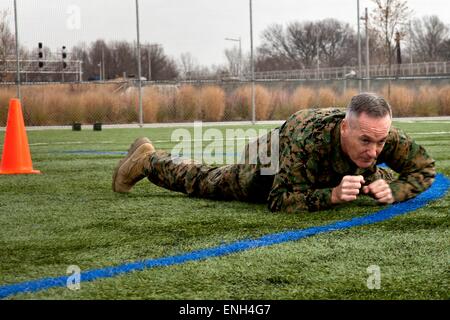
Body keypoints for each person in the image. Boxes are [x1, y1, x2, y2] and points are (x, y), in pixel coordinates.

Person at [112, 92, 436, 213]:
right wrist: (332, 197)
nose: (375, 149)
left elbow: (423, 169)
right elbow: (280, 201)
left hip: (326, 165)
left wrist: (393, 189)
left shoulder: (379, 132)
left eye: (381, 143)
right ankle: (148, 160)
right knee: (209, 181)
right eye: (366, 141)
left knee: (373, 175)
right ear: (344, 130)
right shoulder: (307, 139)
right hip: (268, 161)